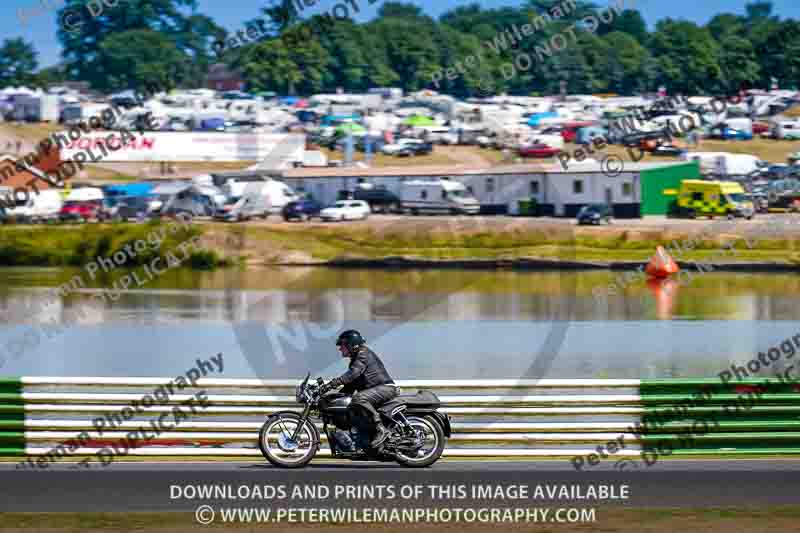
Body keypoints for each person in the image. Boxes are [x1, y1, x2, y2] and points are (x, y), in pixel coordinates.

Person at [320, 330, 398, 449]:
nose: (340, 348)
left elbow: (352, 374)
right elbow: (352, 384)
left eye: (342, 345)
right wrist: (334, 396)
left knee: (359, 398)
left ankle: (380, 429)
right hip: (377, 389)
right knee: (350, 403)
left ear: (351, 345)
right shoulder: (356, 359)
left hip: (385, 388)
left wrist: (331, 384)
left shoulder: (363, 354)